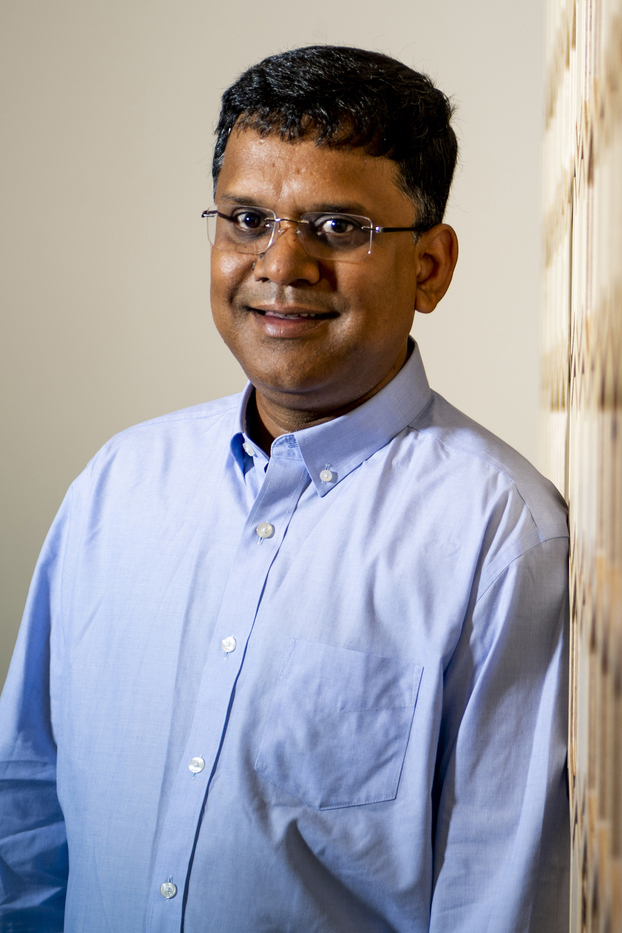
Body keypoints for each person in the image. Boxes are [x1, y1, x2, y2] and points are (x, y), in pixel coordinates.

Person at [0, 45, 569, 933]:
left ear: (430, 267)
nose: (282, 264)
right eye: (248, 218)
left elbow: (496, 903)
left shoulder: (507, 538)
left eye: (339, 227)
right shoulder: (118, 486)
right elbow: (26, 813)